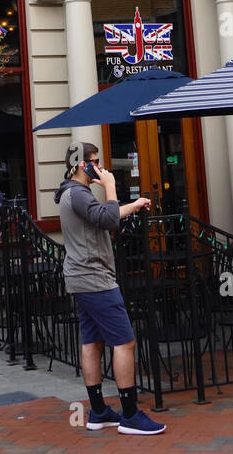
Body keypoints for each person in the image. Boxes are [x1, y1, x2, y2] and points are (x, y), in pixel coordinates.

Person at [54, 141, 165, 435]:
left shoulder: (73, 193)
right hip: (95, 279)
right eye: (95, 162)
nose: (100, 168)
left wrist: (136, 204)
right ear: (82, 165)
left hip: (82, 278)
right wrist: (112, 186)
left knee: (92, 342)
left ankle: (99, 411)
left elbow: (103, 217)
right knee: (124, 342)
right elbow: (109, 220)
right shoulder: (78, 193)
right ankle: (129, 415)